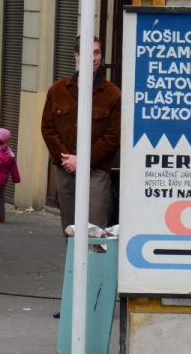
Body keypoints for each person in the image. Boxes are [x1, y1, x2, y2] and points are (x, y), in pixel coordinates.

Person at [41, 36, 121, 234]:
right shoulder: (58, 90)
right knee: (70, 231)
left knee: (95, 232)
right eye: (88, 53)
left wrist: (83, 160)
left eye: (97, 52)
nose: (94, 58)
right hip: (66, 170)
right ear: (76, 56)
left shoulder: (112, 94)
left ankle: (94, 266)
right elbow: (48, 129)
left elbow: (114, 136)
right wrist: (67, 160)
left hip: (97, 172)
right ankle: (71, 266)